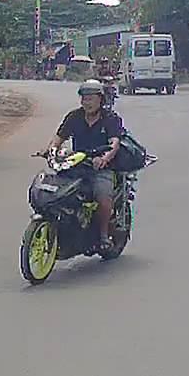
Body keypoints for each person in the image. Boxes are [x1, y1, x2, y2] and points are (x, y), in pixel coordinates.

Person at [45, 80, 124, 251]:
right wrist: (51, 151)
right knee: (58, 192)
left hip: (101, 168)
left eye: (90, 99)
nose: (86, 103)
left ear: (100, 99)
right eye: (84, 99)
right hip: (76, 164)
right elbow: (59, 138)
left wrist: (104, 158)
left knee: (103, 197)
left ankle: (103, 235)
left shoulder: (110, 119)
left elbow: (114, 143)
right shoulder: (74, 117)